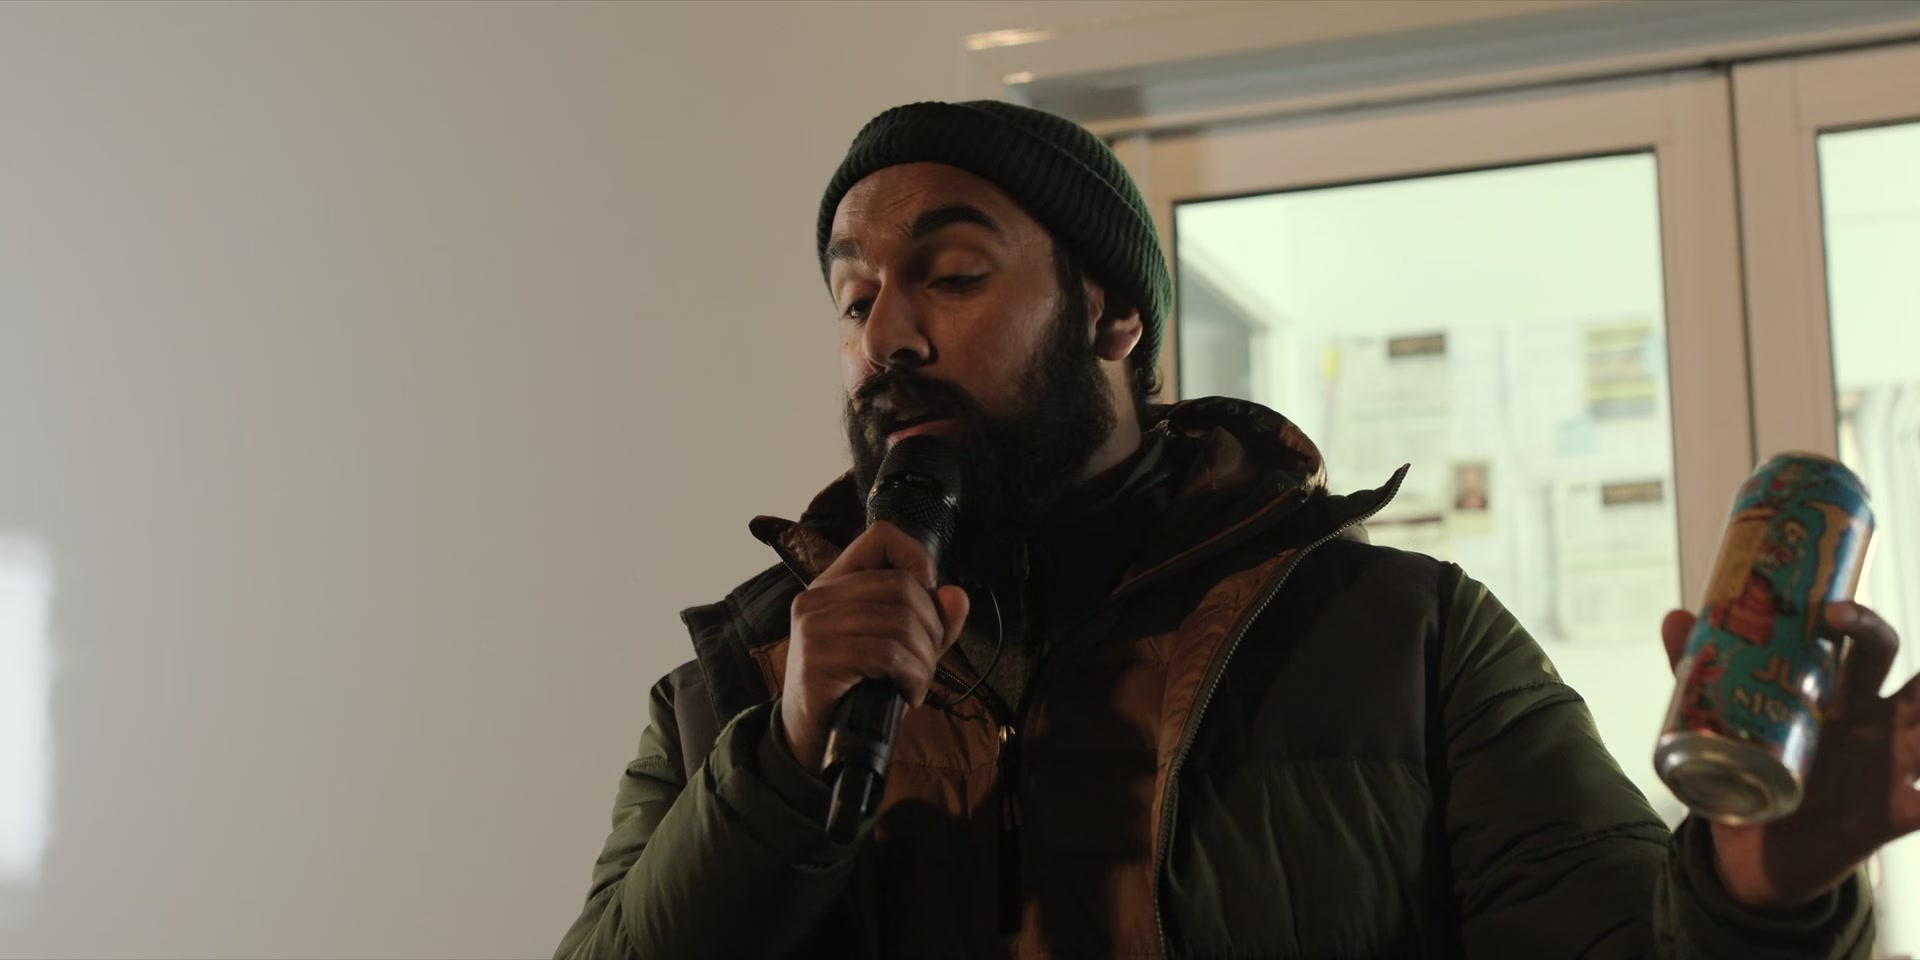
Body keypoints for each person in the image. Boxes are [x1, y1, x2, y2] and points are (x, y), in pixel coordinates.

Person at [554, 101, 1917, 959]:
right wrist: (785, 769)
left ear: (1112, 315)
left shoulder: (1404, 644)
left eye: (952, 274)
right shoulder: (737, 691)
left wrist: (1761, 899)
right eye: (853, 301)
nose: (888, 335)